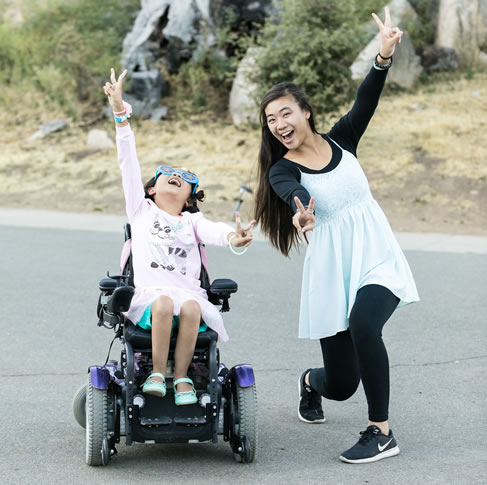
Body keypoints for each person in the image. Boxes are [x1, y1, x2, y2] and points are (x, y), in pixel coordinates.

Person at [253, 7, 419, 463]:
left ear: (305, 112)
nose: (279, 124)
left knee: (367, 324)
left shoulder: (343, 138)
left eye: (285, 113)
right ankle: (311, 382)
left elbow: (367, 99)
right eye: (270, 120)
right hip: (332, 268)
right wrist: (300, 214)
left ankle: (380, 431)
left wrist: (383, 55)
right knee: (341, 385)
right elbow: (291, 193)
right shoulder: (282, 170)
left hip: (376, 255)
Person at [103, 68, 255, 406]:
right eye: (166, 173)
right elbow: (127, 162)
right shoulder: (140, 211)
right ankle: (158, 372)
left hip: (189, 296)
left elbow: (216, 231)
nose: (174, 175)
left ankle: (183, 376)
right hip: (150, 297)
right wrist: (119, 114)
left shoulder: (193, 222)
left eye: (184, 177)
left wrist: (235, 238)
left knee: (188, 305)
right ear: (152, 189)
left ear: (189, 197)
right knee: (165, 302)